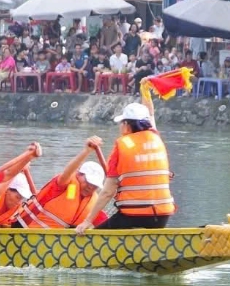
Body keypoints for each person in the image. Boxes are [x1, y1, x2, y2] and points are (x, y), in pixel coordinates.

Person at [75, 97, 174, 232]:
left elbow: (108, 192)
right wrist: (146, 92)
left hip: (133, 215)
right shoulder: (157, 140)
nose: (120, 127)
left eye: (121, 123)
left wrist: (87, 221)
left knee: (96, 236)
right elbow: (151, 116)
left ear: (127, 125)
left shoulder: (122, 145)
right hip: (163, 215)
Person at [14, 138, 107, 229]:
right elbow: (68, 170)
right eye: (88, 182)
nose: (90, 187)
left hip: (53, 238)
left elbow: (106, 224)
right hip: (24, 229)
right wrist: (86, 151)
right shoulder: (64, 183)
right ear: (78, 174)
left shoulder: (93, 202)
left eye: (95, 185)